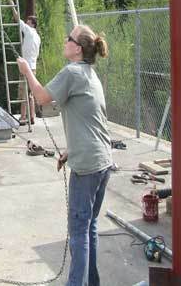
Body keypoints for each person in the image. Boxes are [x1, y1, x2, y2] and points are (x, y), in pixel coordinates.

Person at [17, 25, 112, 286]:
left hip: (88, 166)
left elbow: (42, 97)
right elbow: (92, 119)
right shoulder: (90, 74)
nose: (64, 39)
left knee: (79, 232)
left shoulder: (72, 72)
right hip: (103, 161)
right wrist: (70, 151)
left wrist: (27, 71)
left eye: (68, 38)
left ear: (78, 48)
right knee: (90, 226)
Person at [10, 0, 41, 125]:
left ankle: (23, 117)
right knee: (30, 94)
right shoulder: (38, 37)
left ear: (32, 23)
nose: (26, 22)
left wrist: (12, 6)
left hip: (26, 67)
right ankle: (32, 116)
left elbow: (18, 19)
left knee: (23, 94)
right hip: (33, 67)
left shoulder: (28, 30)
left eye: (28, 21)